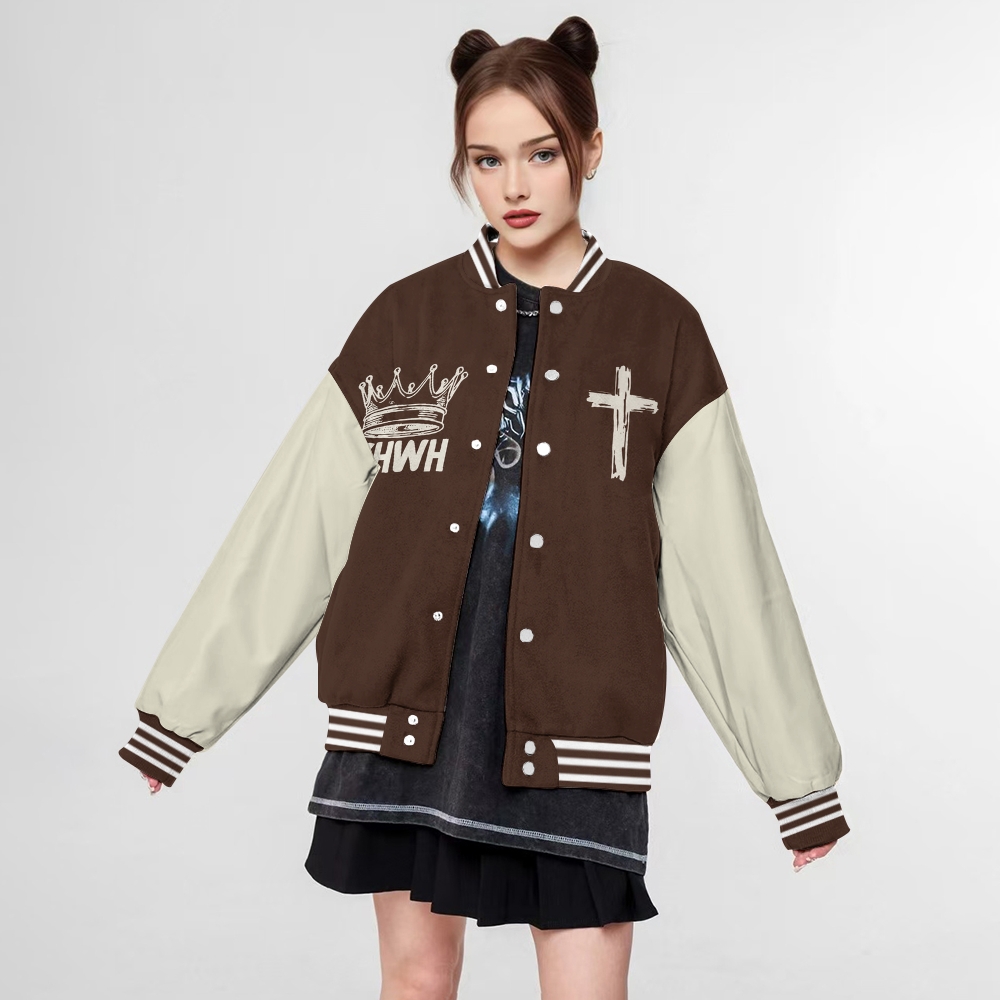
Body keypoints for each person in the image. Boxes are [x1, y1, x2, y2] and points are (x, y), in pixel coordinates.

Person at [124, 16, 850, 999]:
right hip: (407, 720)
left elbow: (725, 569)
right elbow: (293, 527)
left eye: (542, 154)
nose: (514, 186)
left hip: (576, 731)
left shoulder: (659, 330)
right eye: (486, 159)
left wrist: (796, 781)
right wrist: (181, 712)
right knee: (418, 980)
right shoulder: (404, 319)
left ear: (592, 148)